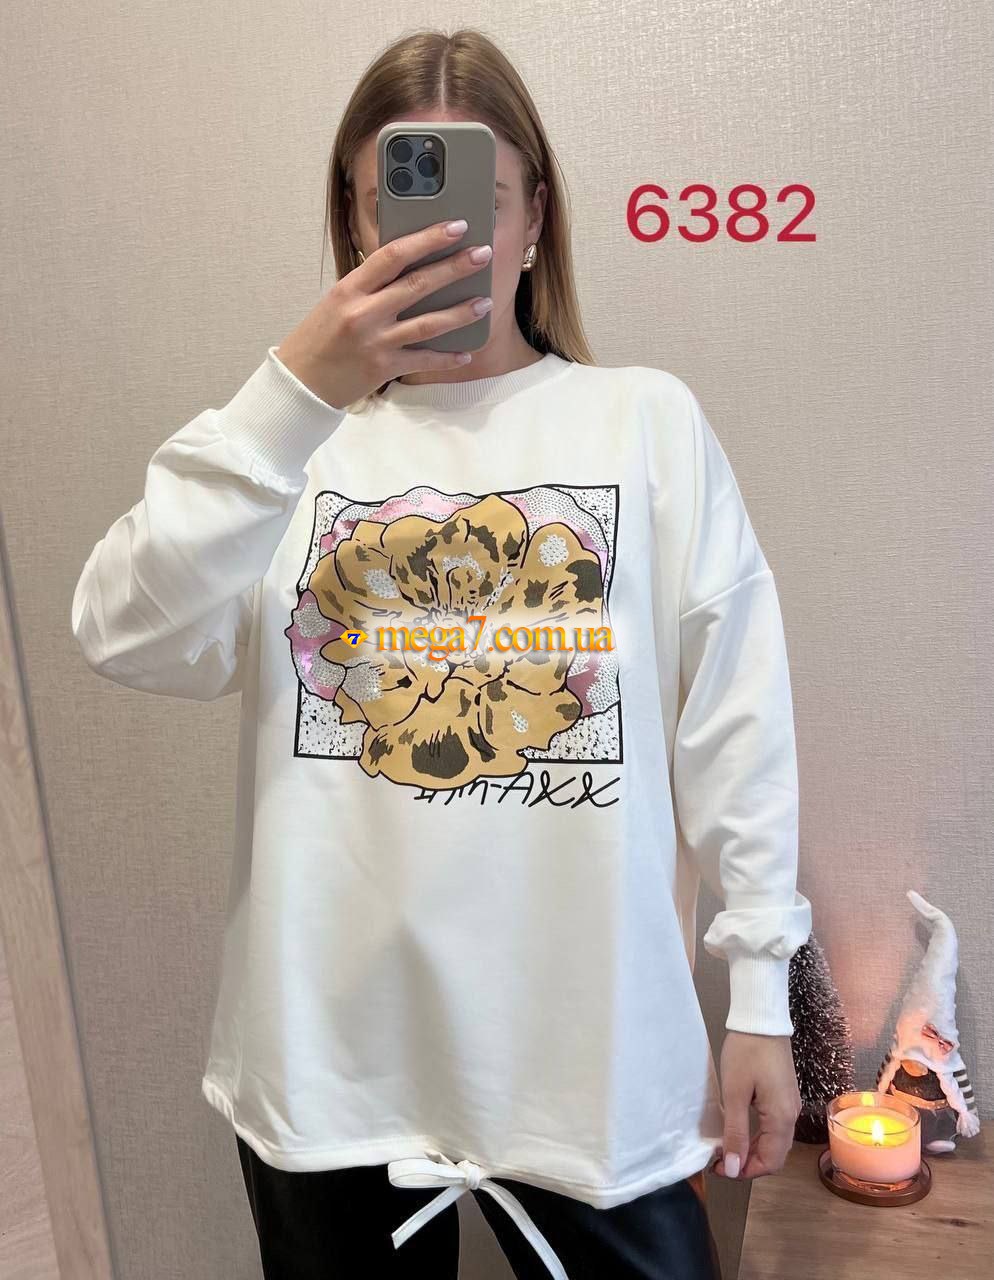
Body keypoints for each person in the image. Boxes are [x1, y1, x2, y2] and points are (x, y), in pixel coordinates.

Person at [70, 26, 812, 1280]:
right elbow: (124, 633)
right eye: (395, 202)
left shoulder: (644, 423)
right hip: (330, 1071)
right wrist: (293, 391)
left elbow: (736, 723)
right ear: (356, 221)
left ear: (534, 218)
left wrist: (756, 998)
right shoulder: (282, 453)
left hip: (586, 1068)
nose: (442, 238)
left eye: (484, 198)